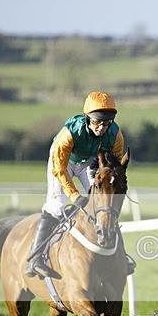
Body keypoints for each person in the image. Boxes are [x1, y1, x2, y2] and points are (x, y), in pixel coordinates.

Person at [25, 91, 126, 278]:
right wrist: (75, 196)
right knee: (57, 205)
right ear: (88, 118)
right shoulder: (69, 134)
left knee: (104, 204)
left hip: (89, 163)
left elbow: (115, 164)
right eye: (97, 122)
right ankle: (35, 257)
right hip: (63, 164)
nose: (101, 128)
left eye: (106, 123)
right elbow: (60, 169)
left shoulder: (115, 134)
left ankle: (121, 256)